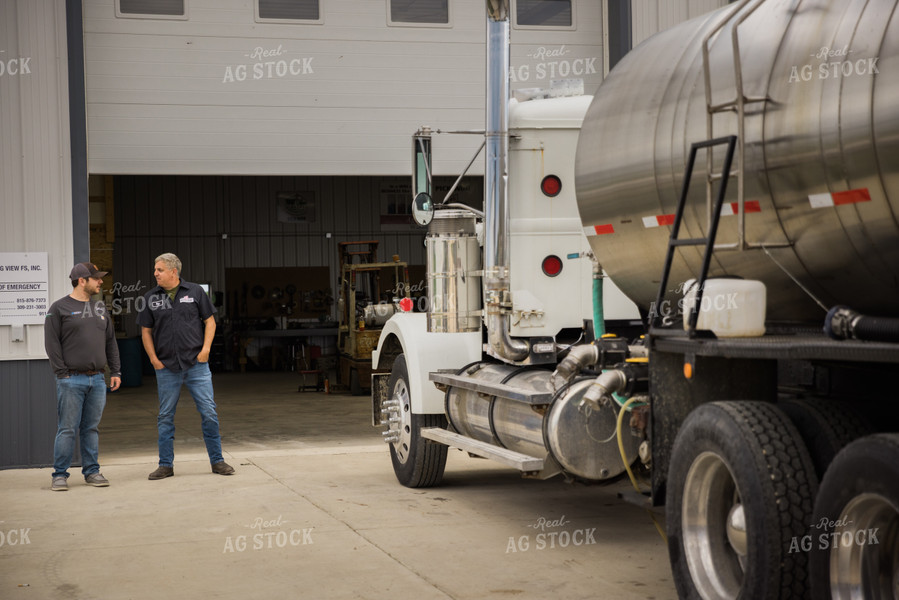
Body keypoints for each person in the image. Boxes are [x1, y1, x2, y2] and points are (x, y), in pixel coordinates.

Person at [137, 253, 234, 479]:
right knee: (165, 416)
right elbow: (146, 331)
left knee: (209, 413)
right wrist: (153, 359)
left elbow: (210, 321)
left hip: (196, 365)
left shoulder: (196, 292)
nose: (155, 274)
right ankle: (165, 465)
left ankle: (217, 461)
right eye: (155, 270)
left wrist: (206, 350)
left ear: (173, 271)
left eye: (159, 270)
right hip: (167, 367)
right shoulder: (151, 297)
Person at [45, 262, 122, 491]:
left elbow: (111, 341)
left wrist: (115, 370)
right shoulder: (58, 308)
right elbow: (52, 344)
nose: (100, 282)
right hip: (71, 380)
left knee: (91, 428)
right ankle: (60, 474)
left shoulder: (100, 309)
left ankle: (92, 472)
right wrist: (62, 374)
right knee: (67, 428)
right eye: (96, 278)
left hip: (97, 379)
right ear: (82, 281)